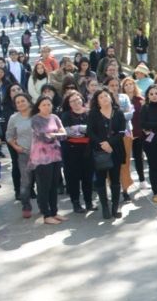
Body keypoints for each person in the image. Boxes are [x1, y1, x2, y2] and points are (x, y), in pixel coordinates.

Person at [88, 88, 128, 220]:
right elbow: (90, 132)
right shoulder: (93, 113)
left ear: (111, 97)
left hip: (116, 150)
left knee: (115, 179)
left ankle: (115, 207)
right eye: (101, 97)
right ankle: (105, 207)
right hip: (99, 151)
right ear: (97, 101)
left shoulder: (118, 113)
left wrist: (110, 144)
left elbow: (122, 132)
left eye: (106, 95)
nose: (104, 98)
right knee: (100, 179)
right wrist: (103, 144)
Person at [28, 96, 66, 224]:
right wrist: (56, 135)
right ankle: (46, 214)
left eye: (49, 104)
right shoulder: (35, 119)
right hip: (41, 157)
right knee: (44, 186)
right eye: (44, 104)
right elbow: (44, 137)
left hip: (55, 155)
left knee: (54, 185)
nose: (47, 106)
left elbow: (64, 134)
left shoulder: (55, 117)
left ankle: (54, 211)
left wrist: (54, 135)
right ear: (38, 106)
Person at [61, 93, 95, 214]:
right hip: (71, 150)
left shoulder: (90, 113)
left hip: (88, 149)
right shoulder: (65, 115)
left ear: (82, 99)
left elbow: (93, 129)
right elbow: (67, 132)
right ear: (68, 104)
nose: (76, 102)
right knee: (73, 178)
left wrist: (78, 128)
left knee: (88, 177)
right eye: (72, 101)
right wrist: (83, 129)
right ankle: (76, 203)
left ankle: (89, 202)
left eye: (77, 99)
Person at [6, 93, 37, 218]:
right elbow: (8, 135)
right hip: (24, 153)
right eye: (17, 102)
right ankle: (26, 205)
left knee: (42, 181)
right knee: (26, 181)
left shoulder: (37, 115)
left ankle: (45, 206)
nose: (20, 104)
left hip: (40, 153)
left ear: (29, 101)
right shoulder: (14, 118)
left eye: (22, 101)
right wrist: (16, 146)